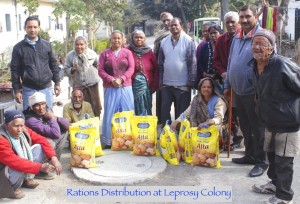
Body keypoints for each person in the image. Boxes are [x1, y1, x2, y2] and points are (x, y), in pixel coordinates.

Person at [250, 29, 300, 204]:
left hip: (287, 122)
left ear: (271, 49)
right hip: (269, 120)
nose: (256, 47)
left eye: (261, 44)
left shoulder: (283, 65)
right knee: (271, 156)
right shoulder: (254, 65)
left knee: (284, 161)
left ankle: (284, 197)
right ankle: (275, 184)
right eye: (254, 43)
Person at [223, 5, 268, 177]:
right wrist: (227, 84)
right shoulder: (237, 36)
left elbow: (268, 65)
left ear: (255, 16)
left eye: (247, 16)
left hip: (254, 92)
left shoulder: (261, 37)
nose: (243, 20)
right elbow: (230, 61)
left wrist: (261, 91)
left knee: (258, 128)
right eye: (241, 17)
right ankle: (250, 155)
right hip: (238, 91)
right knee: (246, 126)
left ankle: (261, 161)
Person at [0, 110, 62, 199]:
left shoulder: (24, 129)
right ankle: (10, 189)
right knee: (17, 166)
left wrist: (54, 158)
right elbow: (14, 161)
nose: (20, 130)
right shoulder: (1, 138)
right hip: (4, 171)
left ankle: (26, 179)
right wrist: (40, 167)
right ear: (6, 126)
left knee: (40, 147)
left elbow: (42, 140)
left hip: (17, 163)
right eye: (16, 126)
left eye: (21, 125)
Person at [10, 16, 61, 110]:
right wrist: (17, 90)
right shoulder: (18, 48)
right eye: (29, 27)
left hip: (46, 88)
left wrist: (57, 82)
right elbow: (15, 71)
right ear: (25, 28)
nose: (32, 30)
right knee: (30, 118)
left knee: (48, 115)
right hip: (29, 89)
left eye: (35, 27)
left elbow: (53, 65)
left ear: (39, 28)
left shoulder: (46, 45)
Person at [98, 30, 135, 148]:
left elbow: (131, 68)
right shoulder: (104, 54)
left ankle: (127, 140)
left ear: (123, 40)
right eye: (114, 38)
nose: (116, 40)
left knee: (127, 111)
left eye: (119, 38)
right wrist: (111, 79)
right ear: (110, 40)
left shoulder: (127, 53)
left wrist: (122, 79)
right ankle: (109, 141)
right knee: (110, 113)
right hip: (110, 88)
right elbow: (100, 70)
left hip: (125, 87)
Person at [158, 17, 197, 125]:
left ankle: (180, 135)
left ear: (181, 26)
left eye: (176, 25)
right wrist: (160, 80)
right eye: (171, 25)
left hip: (183, 84)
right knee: (165, 111)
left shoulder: (188, 41)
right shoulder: (164, 42)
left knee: (182, 113)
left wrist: (191, 81)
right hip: (166, 84)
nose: (174, 27)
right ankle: (167, 134)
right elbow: (160, 63)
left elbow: (192, 63)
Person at [212, 11, 242, 149]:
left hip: (240, 80)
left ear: (238, 23)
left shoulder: (243, 37)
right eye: (227, 22)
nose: (230, 25)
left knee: (239, 111)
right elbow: (216, 60)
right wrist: (223, 72)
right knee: (227, 111)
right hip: (225, 80)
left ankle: (239, 139)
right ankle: (228, 138)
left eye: (233, 22)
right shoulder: (221, 39)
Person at [23, 92, 70, 160]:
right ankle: (43, 166)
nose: (41, 108)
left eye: (43, 104)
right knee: (50, 142)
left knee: (64, 132)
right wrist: (51, 119)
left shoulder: (46, 112)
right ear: (32, 107)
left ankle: (55, 161)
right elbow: (56, 134)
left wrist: (55, 117)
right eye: (37, 105)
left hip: (45, 138)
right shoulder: (31, 120)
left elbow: (67, 125)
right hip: (34, 145)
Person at [65, 36, 102, 117]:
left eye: (81, 44)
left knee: (95, 106)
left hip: (92, 86)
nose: (79, 47)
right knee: (80, 108)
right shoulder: (70, 56)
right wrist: (72, 69)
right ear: (74, 45)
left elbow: (98, 65)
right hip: (78, 86)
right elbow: (65, 69)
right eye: (77, 44)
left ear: (85, 45)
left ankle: (95, 123)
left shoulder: (92, 53)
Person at [128, 30, 159, 115]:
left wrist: (155, 85)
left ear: (144, 39)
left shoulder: (149, 52)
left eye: (141, 37)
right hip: (131, 86)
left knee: (146, 105)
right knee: (134, 105)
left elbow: (156, 68)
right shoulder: (127, 51)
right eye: (136, 37)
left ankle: (146, 124)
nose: (139, 39)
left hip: (147, 86)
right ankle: (135, 125)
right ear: (132, 38)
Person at [153, 12, 173, 125]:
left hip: (177, 73)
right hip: (162, 71)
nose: (166, 22)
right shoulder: (160, 35)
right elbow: (155, 53)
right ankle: (163, 125)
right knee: (163, 101)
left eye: (168, 20)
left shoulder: (179, 33)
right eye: (164, 21)